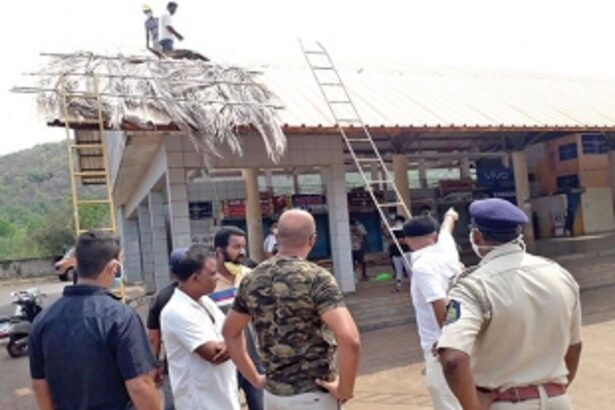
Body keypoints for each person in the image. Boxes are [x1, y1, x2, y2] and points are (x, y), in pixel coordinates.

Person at [437, 198, 582, 410]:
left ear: (477, 235)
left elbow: (453, 359)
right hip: (558, 401)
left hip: (505, 403)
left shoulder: (472, 286)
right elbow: (574, 346)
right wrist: (551, 392)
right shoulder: (559, 275)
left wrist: (474, 407)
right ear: (518, 234)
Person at [223, 209, 361, 410]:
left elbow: (230, 332)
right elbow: (350, 340)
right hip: (312, 395)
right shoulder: (317, 278)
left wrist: (254, 377)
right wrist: (345, 389)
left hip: (273, 395)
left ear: (277, 238)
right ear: (312, 240)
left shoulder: (252, 278)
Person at [29, 230, 160, 410]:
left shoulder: (43, 320)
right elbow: (140, 385)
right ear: (113, 266)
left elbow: (40, 386)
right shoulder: (120, 317)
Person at [160, 245, 240, 410]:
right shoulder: (177, 311)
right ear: (194, 278)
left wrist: (231, 340)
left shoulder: (206, 302)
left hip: (222, 397)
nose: (217, 277)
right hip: (200, 403)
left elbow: (231, 333)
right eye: (212, 273)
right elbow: (214, 354)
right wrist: (234, 340)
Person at [403, 209, 462, 410]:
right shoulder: (446, 247)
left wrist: (448, 341)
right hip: (465, 336)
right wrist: (451, 215)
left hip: (441, 347)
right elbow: (447, 228)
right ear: (434, 236)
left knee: (446, 400)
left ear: (407, 241)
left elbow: (439, 302)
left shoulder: (423, 267)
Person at [209, 226, 264, 410]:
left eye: (243, 247)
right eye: (236, 247)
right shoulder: (207, 283)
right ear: (219, 251)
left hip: (255, 360)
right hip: (224, 364)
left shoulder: (250, 277)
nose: (242, 252)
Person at [147, 248, 188, 410]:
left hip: (174, 365)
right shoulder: (204, 293)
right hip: (205, 362)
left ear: (172, 271)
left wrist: (154, 365)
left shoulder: (162, 297)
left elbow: (154, 338)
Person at [390, 215, 411, 291]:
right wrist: (399, 241)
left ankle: (413, 284)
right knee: (398, 270)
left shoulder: (407, 230)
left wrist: (398, 241)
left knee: (409, 269)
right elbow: (391, 242)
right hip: (396, 253)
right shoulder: (393, 230)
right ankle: (398, 286)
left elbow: (407, 241)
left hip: (406, 252)